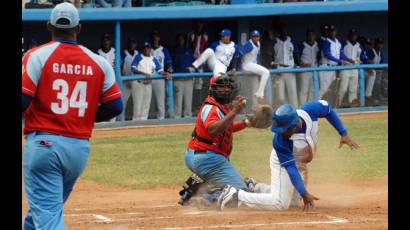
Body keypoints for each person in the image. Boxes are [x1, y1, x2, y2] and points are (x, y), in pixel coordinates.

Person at [22, 3, 123, 229]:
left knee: (47, 215)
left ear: (49, 26)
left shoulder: (36, 56)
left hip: (44, 144)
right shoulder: (98, 62)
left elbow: (23, 100)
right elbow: (115, 106)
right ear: (78, 28)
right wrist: (85, 116)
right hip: (78, 149)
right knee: (42, 211)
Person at [217, 100, 360, 211]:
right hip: (283, 163)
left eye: (284, 129)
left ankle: (255, 187)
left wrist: (344, 133)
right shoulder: (280, 141)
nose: (280, 132)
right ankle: (236, 196)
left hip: (299, 163)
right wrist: (304, 192)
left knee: (292, 202)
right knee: (280, 204)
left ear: (294, 124)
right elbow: (291, 168)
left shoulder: (310, 111)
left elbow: (328, 108)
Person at [178, 73, 251, 205]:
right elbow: (213, 130)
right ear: (213, 89)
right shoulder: (211, 108)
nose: (226, 90)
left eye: (228, 86)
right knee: (240, 192)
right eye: (222, 87)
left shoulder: (220, 106)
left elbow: (225, 128)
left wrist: (246, 123)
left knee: (230, 183)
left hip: (198, 156)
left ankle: (194, 189)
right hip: (207, 160)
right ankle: (206, 197)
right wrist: (234, 112)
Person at [318, 25, 354, 100]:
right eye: (330, 31)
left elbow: (340, 53)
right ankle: (316, 106)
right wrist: (339, 61)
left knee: (331, 89)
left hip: (333, 68)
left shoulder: (337, 42)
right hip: (325, 67)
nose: (332, 32)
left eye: (333, 31)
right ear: (328, 32)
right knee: (323, 89)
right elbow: (327, 55)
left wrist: (348, 59)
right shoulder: (326, 42)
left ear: (335, 32)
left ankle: (326, 106)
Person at [130, 42, 164, 120]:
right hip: (138, 83)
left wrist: (167, 73)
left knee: (146, 106)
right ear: (142, 49)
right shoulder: (138, 57)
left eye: (148, 48)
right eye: (144, 48)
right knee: (137, 106)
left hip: (148, 84)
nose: (146, 49)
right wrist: (143, 74)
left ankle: (143, 124)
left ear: (150, 49)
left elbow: (160, 70)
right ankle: (135, 124)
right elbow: (133, 69)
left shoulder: (153, 59)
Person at [271, 23, 299, 108]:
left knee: (292, 94)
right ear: (279, 31)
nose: (283, 32)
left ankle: (296, 112)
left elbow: (296, 53)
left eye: (285, 30)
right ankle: (282, 113)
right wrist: (273, 65)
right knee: (280, 96)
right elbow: (270, 55)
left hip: (290, 69)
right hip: (279, 70)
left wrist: (297, 64)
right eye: (281, 30)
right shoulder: (275, 41)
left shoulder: (292, 41)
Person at [241, 30, 271, 106]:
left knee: (255, 86)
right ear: (251, 37)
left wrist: (259, 66)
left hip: (253, 65)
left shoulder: (258, 43)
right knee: (266, 72)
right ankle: (260, 92)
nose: (256, 38)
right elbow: (240, 54)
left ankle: (255, 106)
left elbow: (257, 56)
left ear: (259, 37)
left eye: (257, 36)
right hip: (247, 65)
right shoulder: (249, 45)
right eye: (254, 36)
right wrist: (240, 67)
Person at [336, 29, 362, 108]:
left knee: (353, 89)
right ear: (348, 36)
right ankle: (338, 105)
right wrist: (346, 60)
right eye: (351, 35)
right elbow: (339, 54)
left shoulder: (359, 45)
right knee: (343, 89)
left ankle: (352, 106)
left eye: (354, 35)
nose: (353, 36)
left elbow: (361, 56)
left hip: (355, 68)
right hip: (345, 68)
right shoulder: (343, 43)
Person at [151, 30, 173, 119]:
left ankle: (161, 119)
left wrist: (169, 71)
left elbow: (169, 65)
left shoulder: (164, 50)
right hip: (149, 77)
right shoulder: (148, 49)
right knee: (147, 101)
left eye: (156, 36)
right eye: (153, 36)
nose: (155, 38)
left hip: (160, 77)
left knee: (160, 101)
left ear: (159, 38)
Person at [172, 33, 195, 118]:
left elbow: (194, 63)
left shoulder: (189, 51)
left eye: (182, 39)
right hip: (178, 79)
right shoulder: (174, 51)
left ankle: (188, 117)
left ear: (184, 40)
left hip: (188, 79)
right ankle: (176, 117)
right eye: (179, 39)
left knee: (188, 100)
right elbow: (171, 65)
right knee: (178, 100)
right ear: (177, 40)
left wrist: (192, 68)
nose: (181, 40)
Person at [361, 38, 386, 106]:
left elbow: (382, 64)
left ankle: (377, 97)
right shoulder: (371, 52)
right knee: (374, 75)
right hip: (368, 71)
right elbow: (366, 63)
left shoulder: (380, 53)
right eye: (378, 44)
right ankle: (369, 97)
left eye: (381, 44)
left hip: (377, 72)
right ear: (375, 44)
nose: (380, 45)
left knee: (382, 78)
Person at [298, 29, 319, 105]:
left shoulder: (317, 45)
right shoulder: (302, 45)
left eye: (312, 35)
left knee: (312, 90)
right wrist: (301, 64)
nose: (311, 36)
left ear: (315, 36)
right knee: (304, 90)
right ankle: (302, 107)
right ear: (306, 36)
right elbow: (296, 57)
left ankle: (310, 107)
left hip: (314, 70)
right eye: (309, 35)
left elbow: (319, 56)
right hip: (305, 70)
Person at [120, 38, 139, 120]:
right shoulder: (123, 53)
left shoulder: (138, 53)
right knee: (123, 103)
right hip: (125, 81)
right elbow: (119, 66)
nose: (132, 45)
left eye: (133, 43)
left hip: (136, 81)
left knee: (137, 102)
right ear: (127, 44)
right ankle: (121, 119)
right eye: (130, 43)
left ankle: (136, 120)